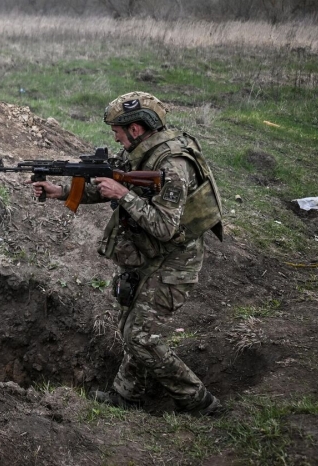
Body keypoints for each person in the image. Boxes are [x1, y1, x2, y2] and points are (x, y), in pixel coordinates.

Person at [33, 91, 224, 416]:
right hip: (147, 253)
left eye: (117, 130)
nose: (115, 136)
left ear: (136, 128)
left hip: (175, 259)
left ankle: (200, 402)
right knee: (130, 326)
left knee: (138, 336)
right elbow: (107, 183)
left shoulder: (172, 165)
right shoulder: (140, 152)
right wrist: (61, 190)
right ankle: (126, 395)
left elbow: (165, 225)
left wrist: (123, 195)